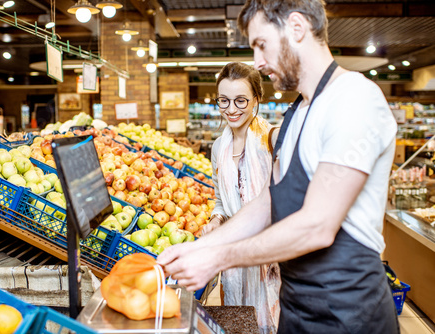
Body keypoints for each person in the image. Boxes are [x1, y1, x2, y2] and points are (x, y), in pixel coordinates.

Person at [157, 0, 399, 333]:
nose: (257, 61)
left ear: (297, 27)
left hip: (347, 311)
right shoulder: (298, 113)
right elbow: (270, 202)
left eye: (261, 45)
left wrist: (218, 258)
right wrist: (199, 247)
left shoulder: (354, 99)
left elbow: (317, 226)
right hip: (297, 305)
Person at [203, 61, 280, 334]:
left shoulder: (270, 140)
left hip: (271, 255)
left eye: (240, 100)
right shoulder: (218, 147)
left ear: (256, 99)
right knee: (239, 323)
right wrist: (216, 220)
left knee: (270, 324)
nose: (231, 109)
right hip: (234, 258)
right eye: (224, 100)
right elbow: (221, 200)